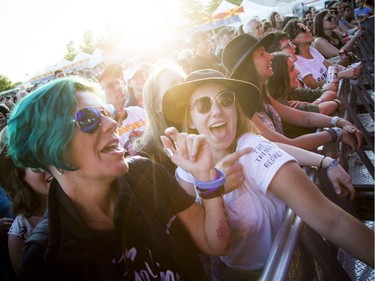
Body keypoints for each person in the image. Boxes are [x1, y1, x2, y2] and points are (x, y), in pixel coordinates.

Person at [6, 76, 231, 281]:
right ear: (49, 146)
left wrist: (205, 176)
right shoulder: (45, 258)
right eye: (88, 118)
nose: (113, 123)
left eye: (107, 113)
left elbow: (216, 243)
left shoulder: (145, 174)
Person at [162, 69, 374, 280]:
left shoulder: (253, 151)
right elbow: (192, 237)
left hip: (282, 270)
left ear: (236, 107)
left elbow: (332, 221)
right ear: (190, 119)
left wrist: (326, 160)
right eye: (203, 105)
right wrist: (214, 187)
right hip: (226, 272)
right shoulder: (188, 167)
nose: (217, 111)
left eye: (226, 99)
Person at [222, 33, 363, 151]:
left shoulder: (262, 94)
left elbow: (302, 117)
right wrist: (335, 133)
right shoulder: (244, 108)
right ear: (247, 67)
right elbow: (288, 145)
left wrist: (338, 121)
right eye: (261, 54)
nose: (269, 56)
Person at [0, 127, 52, 275]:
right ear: (20, 178)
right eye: (35, 164)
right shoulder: (20, 235)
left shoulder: (79, 202)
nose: (48, 166)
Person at [283, 19, 361, 88]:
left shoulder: (312, 50)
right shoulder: (297, 61)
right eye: (303, 29)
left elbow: (332, 66)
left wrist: (349, 69)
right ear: (293, 40)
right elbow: (313, 85)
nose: (308, 30)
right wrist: (342, 74)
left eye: (306, 27)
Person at [267, 52, 339, 117]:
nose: (297, 72)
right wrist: (337, 103)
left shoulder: (292, 92)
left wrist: (314, 104)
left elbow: (330, 93)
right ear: (279, 76)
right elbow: (324, 109)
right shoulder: (279, 104)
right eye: (291, 69)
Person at [98, 64, 147, 155]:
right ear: (99, 97)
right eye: (110, 86)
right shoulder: (104, 130)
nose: (119, 87)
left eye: (118, 83)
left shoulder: (138, 111)